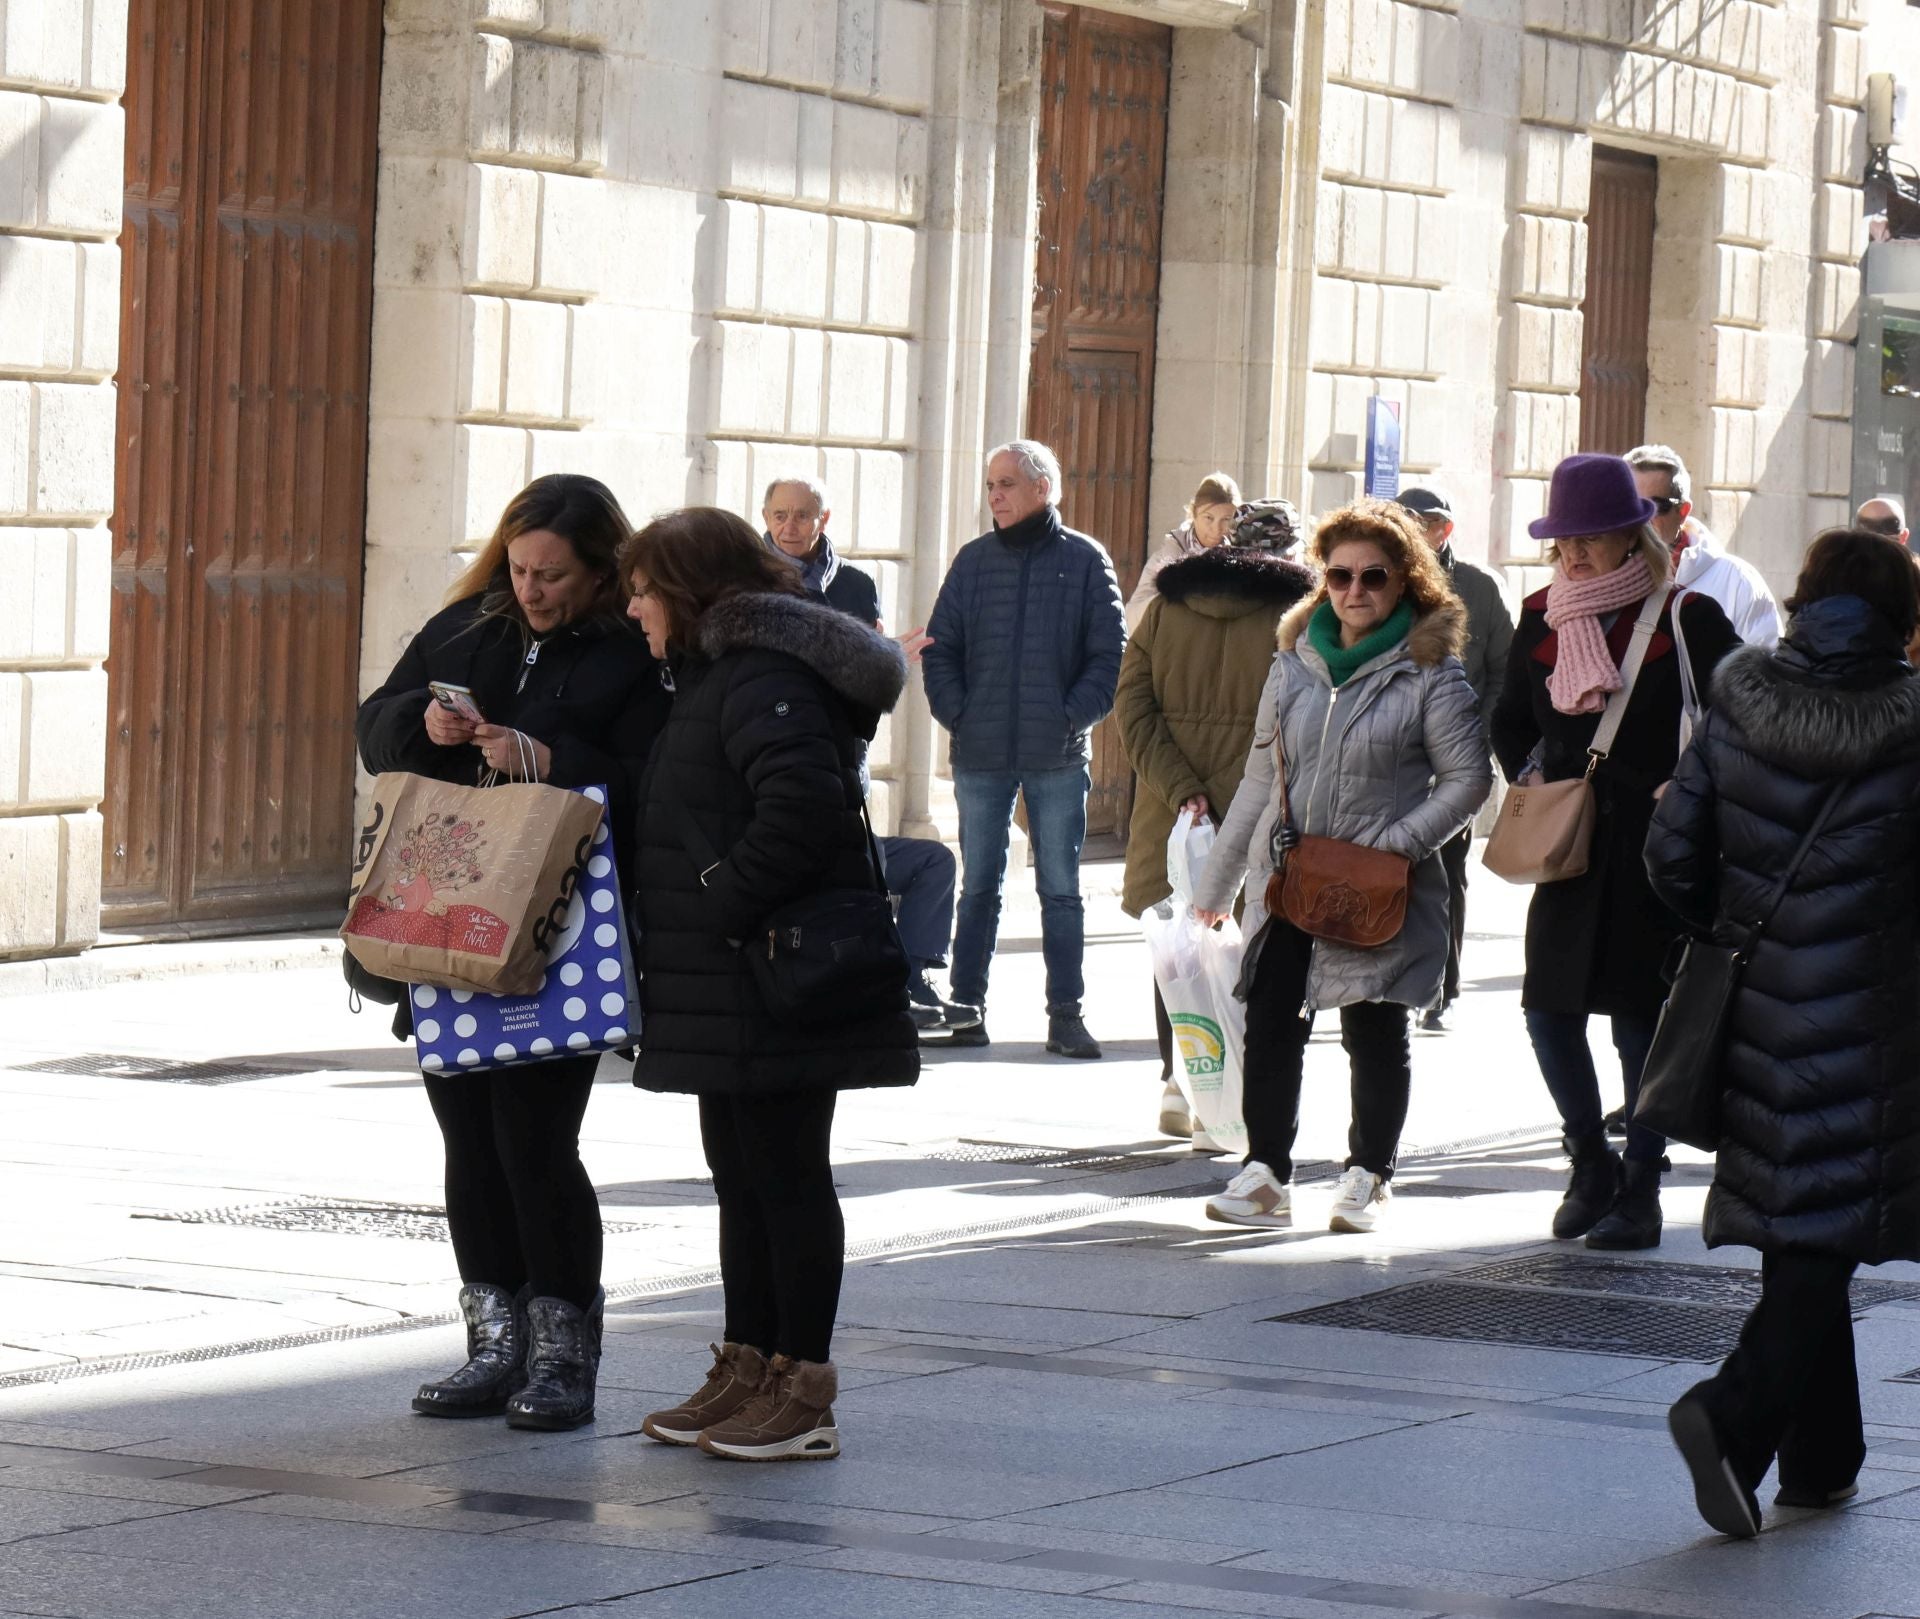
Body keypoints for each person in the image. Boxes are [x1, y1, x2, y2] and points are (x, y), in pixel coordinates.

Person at [356, 473, 669, 1430]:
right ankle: (494, 1341)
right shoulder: (469, 626)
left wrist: (549, 756)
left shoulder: (631, 649)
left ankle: (564, 1349)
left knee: (534, 1142)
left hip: (560, 935)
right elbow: (376, 726)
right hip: (449, 921)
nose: (533, 590)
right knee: (468, 1143)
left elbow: (653, 777)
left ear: (600, 569)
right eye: (522, 569)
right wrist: (426, 723)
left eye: (555, 575)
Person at [624, 507, 917, 1462]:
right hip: (729, 981)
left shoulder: (763, 676)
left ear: (690, 589)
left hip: (770, 974)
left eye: (643, 589)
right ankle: (747, 1364)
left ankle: (805, 1388)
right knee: (742, 1179)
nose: (634, 609)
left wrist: (720, 905)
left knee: (787, 1179)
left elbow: (803, 809)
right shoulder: (718, 674)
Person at [1646, 528, 1920, 1538]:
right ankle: (1731, 1414)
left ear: (1803, 601)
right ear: (1904, 618)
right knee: (1828, 1224)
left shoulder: (1737, 696)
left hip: (1757, 999)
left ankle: (1820, 1458)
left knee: (1805, 1217)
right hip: (1878, 1016)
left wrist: (1735, 923)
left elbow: (1673, 857)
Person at [1191, 500, 1491, 1233]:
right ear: (1321, 581)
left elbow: (1469, 782)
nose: (1355, 591)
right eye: (1339, 575)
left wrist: (1397, 844)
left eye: (1373, 577)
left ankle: (1369, 1173)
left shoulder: (1431, 674)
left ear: (1405, 582)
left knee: (1375, 1026)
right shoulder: (1293, 666)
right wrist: (1217, 884)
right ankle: (1265, 1173)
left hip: (1374, 884)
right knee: (1270, 1017)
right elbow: (1260, 782)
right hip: (1290, 877)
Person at [1491, 453, 1742, 1251]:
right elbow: (1508, 720)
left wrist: (1689, 789)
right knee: (1547, 1011)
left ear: (1633, 535)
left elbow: (1744, 714)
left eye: (1592, 537)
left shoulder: (1686, 615)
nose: (1574, 553)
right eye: (1563, 539)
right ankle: (1588, 1159)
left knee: (1638, 1020)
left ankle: (1640, 1183)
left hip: (1651, 846)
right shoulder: (1542, 613)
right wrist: (1533, 781)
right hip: (1572, 841)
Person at [1116, 499, 1314, 1140]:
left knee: (1176, 951)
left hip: (1170, 816)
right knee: (1250, 960)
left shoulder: (1165, 609)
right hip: (1256, 820)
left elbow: (1132, 708)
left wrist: (1182, 789)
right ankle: (1225, 1104)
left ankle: (1178, 1084)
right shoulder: (1298, 623)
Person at [921, 439, 1126, 1058]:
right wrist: (957, 713)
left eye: (1007, 483)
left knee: (1060, 889)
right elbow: (940, 647)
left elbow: (1108, 656)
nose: (996, 495)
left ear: (1044, 489)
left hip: (1058, 753)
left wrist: (1069, 717)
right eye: (990, 485)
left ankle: (1066, 1015)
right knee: (979, 884)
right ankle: (967, 1009)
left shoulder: (1086, 560)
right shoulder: (973, 561)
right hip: (980, 751)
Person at [758, 472, 962, 1036]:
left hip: (844, 765)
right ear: (765, 518)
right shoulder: (745, 584)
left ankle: (912, 980)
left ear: (823, 520)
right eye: (779, 515)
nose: (790, 527)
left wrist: (882, 661)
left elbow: (869, 696)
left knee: (931, 863)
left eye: (802, 515)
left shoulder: (853, 585)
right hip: (773, 766)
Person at [1396, 485, 1515, 1033]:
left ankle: (1442, 987)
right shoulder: (1383, 580)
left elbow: (1504, 674)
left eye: (1415, 522)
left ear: (1441, 529)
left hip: (1457, 761)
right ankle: (1387, 981)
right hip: (1390, 757)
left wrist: (1474, 742)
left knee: (1446, 874)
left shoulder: (1479, 589)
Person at [1625, 444, 1780, 646]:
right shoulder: (1597, 578)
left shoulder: (1738, 582)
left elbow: (1764, 667)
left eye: (1654, 507)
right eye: (1631, 506)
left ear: (1683, 511)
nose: (1642, 519)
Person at [1126, 471, 1242, 631]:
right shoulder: (1169, 555)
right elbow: (1134, 615)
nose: (1217, 529)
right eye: (1208, 518)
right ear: (1194, 513)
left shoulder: (1243, 556)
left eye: (1226, 520)